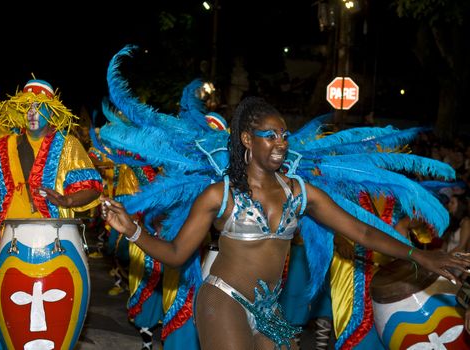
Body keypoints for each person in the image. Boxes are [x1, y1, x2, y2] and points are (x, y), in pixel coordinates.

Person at [100, 96, 470, 349]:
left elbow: (361, 230)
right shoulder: (219, 195)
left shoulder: (301, 193)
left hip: (269, 307)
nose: (280, 143)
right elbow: (177, 254)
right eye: (270, 135)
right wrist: (132, 230)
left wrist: (419, 257)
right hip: (224, 300)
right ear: (247, 139)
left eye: (284, 136)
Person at [0, 78, 103, 349]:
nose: (32, 113)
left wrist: (66, 198)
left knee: (54, 316)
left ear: (51, 112)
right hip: (8, 237)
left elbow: (92, 188)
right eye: (27, 107)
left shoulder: (68, 145)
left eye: (39, 107)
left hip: (55, 241)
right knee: (3, 308)